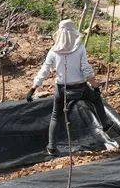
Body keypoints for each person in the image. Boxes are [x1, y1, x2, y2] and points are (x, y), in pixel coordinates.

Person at [26, 18, 108, 156]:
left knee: (55, 116)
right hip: (80, 88)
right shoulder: (80, 48)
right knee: (96, 99)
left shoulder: (53, 51)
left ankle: (51, 146)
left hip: (62, 89)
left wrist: (33, 88)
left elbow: (44, 71)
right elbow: (86, 70)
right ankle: (105, 125)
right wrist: (95, 87)